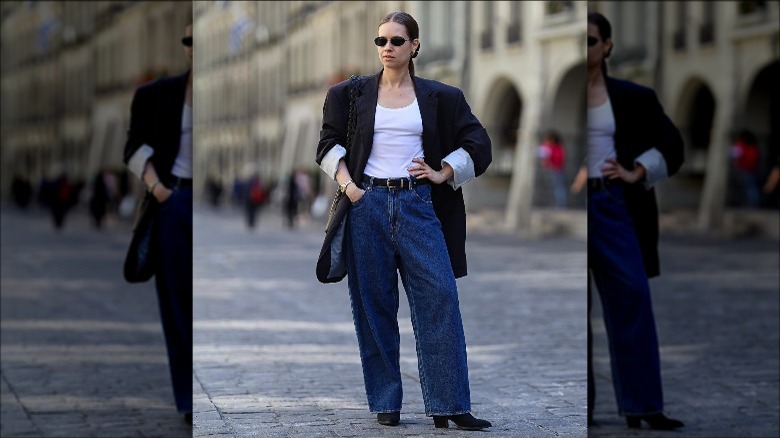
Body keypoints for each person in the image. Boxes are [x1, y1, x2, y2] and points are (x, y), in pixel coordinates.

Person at [315, 11, 492, 431]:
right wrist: (350, 186)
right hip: (366, 204)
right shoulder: (349, 94)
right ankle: (386, 401)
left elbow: (478, 142)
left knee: (440, 299)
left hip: (419, 206)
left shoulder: (442, 96)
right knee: (373, 305)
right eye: (381, 41)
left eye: (396, 40)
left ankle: (450, 404)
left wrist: (443, 171)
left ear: (415, 45)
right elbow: (327, 144)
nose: (387, 48)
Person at [586, 11, 685, 431]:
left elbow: (672, 143)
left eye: (590, 40)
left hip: (610, 204)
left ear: (606, 46)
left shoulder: (633, 96)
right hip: (574, 207)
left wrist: (638, 170)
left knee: (632, 296)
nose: (584, 48)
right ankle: (583, 408)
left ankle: (643, 406)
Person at [122, 23, 193, 424]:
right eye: (188, 40)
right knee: (176, 301)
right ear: (184, 48)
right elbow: (132, 146)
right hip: (174, 200)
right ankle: (187, 398)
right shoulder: (158, 94)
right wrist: (157, 187)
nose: (195, 47)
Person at [730, 129, 761, 208]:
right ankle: (753, 204)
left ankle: (748, 204)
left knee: (745, 188)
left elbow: (734, 154)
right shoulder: (753, 145)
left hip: (744, 169)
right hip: (752, 169)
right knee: (752, 188)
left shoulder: (742, 144)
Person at [537, 130, 567, 208]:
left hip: (556, 170)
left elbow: (558, 159)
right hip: (549, 170)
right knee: (549, 188)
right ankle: (550, 203)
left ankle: (560, 204)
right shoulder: (549, 147)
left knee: (558, 188)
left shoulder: (557, 148)